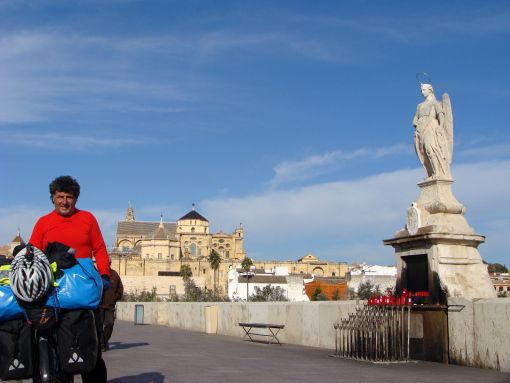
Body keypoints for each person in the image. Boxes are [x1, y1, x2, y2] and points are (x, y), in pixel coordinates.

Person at [29, 175, 110, 383]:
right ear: (53, 198)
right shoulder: (43, 223)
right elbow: (32, 254)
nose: (65, 201)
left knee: (90, 347)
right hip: (54, 292)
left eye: (69, 197)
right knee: (58, 346)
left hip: (84, 292)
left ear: (76, 199)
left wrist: (104, 276)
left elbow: (100, 249)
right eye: (60, 196)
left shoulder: (88, 219)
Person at [412, 83, 453, 180]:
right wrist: (415, 122)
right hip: (420, 128)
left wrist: (440, 126)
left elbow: (441, 115)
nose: (422, 92)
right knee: (423, 152)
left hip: (431, 126)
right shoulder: (419, 105)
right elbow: (415, 117)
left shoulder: (435, 103)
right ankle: (430, 173)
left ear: (430, 90)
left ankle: (437, 173)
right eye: (421, 90)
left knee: (430, 149)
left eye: (424, 90)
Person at [100, 262, 123, 352]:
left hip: (110, 305)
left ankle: (104, 341)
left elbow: (120, 288)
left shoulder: (114, 274)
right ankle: (101, 344)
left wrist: (115, 297)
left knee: (110, 324)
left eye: (108, 263)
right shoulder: (97, 274)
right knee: (99, 326)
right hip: (99, 305)